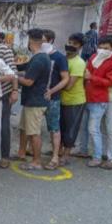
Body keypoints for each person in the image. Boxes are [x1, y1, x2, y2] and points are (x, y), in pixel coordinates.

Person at [84, 35, 112, 168]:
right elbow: (87, 71)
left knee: (95, 129)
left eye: (106, 48)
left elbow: (109, 82)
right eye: (100, 47)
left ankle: (98, 157)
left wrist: (92, 77)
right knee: (91, 128)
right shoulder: (94, 57)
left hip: (100, 99)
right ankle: (92, 152)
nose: (102, 50)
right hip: (88, 96)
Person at [17, 28, 52, 170]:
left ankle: (36, 161)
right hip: (31, 100)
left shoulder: (40, 59)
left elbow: (29, 81)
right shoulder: (39, 57)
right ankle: (22, 153)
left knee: (34, 132)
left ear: (31, 41)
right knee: (25, 129)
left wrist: (14, 77)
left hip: (35, 101)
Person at [42, 30, 70, 170]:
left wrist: (52, 91)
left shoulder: (59, 58)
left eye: (43, 41)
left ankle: (55, 157)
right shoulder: (39, 56)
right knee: (32, 127)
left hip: (53, 98)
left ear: (51, 40)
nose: (41, 44)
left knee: (54, 128)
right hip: (37, 98)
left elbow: (65, 79)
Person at [0, 32, 19, 168]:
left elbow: (13, 72)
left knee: (3, 124)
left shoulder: (4, 49)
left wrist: (14, 91)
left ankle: (5, 156)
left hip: (4, 93)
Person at [60, 33, 87, 165]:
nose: (70, 45)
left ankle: (66, 155)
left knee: (71, 128)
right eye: (69, 42)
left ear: (80, 47)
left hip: (75, 101)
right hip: (61, 99)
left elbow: (69, 85)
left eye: (75, 44)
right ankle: (59, 151)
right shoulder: (63, 59)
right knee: (60, 126)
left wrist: (54, 85)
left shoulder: (78, 63)